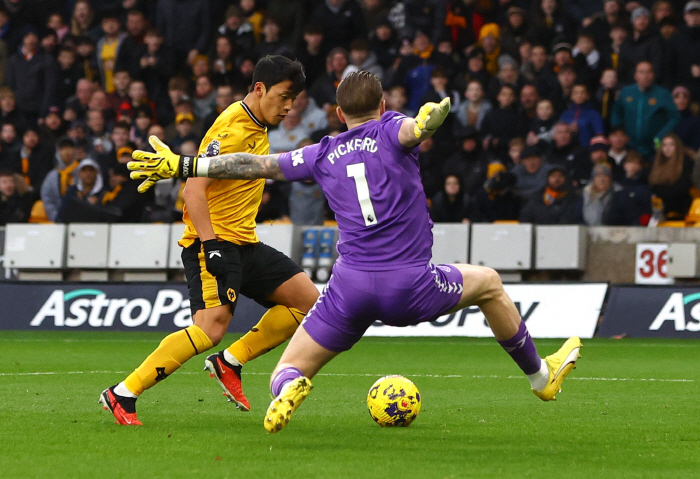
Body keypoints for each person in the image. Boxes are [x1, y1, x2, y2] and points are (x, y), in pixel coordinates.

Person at [128, 71, 582, 433]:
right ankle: (540, 378)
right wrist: (426, 125)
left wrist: (185, 165)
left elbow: (254, 165)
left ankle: (289, 387)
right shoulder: (392, 130)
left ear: (338, 112)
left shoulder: (321, 153)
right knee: (489, 284)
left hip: (350, 290)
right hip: (410, 286)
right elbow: (410, 132)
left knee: (285, 369)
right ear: (382, 105)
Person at [99, 55, 319, 427]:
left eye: (293, 101)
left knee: (308, 302)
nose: (287, 108)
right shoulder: (232, 129)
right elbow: (194, 189)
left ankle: (229, 362)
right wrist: (211, 243)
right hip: (213, 242)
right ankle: (123, 393)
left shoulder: (257, 124)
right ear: (260, 89)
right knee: (209, 328)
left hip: (244, 241)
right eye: (283, 97)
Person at [611, 61, 680, 159]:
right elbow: (616, 113)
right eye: (641, 72)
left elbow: (675, 118)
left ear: (653, 75)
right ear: (635, 75)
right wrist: (619, 134)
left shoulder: (663, 94)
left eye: (649, 72)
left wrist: (660, 136)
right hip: (630, 146)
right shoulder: (626, 92)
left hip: (654, 147)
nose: (645, 76)